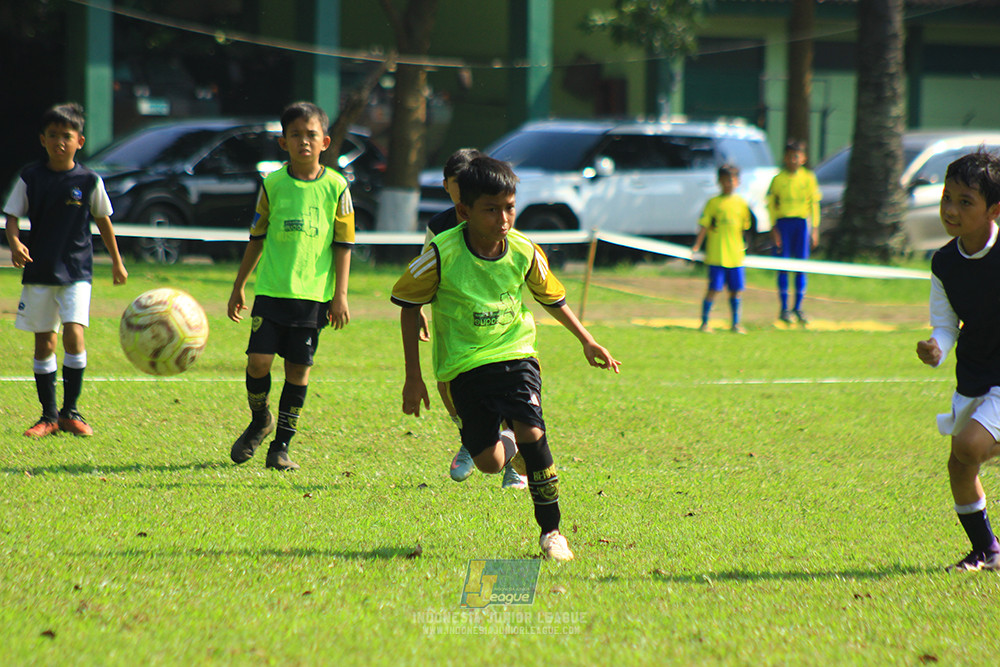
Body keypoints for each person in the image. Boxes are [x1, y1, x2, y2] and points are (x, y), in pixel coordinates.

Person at [391, 156, 621, 562]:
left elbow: (553, 298)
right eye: (491, 209)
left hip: (516, 356)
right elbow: (408, 305)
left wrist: (587, 340)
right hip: (463, 368)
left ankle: (552, 533)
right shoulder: (440, 253)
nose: (503, 218)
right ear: (464, 211)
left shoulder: (524, 251)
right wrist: (414, 377)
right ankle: (505, 437)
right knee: (490, 463)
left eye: (510, 207)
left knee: (534, 436)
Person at [227, 101, 353, 471]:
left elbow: (344, 245)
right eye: (295, 135)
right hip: (271, 291)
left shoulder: (337, 187)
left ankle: (281, 447)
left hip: (313, 298)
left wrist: (340, 295)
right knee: (258, 363)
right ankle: (260, 419)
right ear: (283, 143)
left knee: (298, 372)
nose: (303, 142)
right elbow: (257, 236)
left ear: (325, 141)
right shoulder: (273, 185)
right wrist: (239, 285)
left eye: (311, 134)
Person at [3, 102, 128, 438]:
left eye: (67, 136)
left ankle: (71, 411)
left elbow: (103, 220)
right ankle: (48, 416)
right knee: (45, 343)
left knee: (74, 334)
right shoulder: (31, 176)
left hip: (76, 270)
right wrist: (15, 244)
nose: (60, 142)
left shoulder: (88, 180)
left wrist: (117, 261)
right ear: (42, 139)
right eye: (53, 135)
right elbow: (12, 217)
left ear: (80, 141)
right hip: (40, 270)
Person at [419, 148, 526, 489]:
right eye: (455, 182)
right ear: (447, 185)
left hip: (495, 325)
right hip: (455, 322)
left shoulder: (495, 217)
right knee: (448, 383)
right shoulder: (439, 227)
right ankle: (472, 437)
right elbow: (422, 271)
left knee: (505, 385)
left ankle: (511, 460)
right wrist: (419, 308)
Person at [916, 149, 1000, 572]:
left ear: (994, 210)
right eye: (947, 198)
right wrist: (936, 346)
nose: (951, 210)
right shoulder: (944, 262)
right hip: (975, 372)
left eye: (965, 201)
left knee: (970, 445)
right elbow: (946, 324)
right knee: (960, 462)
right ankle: (987, 550)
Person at [691, 163, 752, 334]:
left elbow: (744, 228)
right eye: (725, 180)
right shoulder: (713, 203)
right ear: (719, 182)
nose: (729, 183)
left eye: (732, 180)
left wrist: (746, 247)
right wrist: (697, 246)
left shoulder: (741, 203)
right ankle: (704, 322)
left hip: (735, 256)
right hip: (717, 255)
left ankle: (735, 323)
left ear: (738, 182)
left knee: (736, 291)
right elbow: (704, 226)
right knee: (714, 289)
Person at [767, 139, 821, 325]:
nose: (793, 160)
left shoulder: (808, 178)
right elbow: (771, 205)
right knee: (783, 267)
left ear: (803, 158)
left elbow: (814, 204)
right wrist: (774, 228)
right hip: (783, 225)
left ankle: (798, 308)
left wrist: (814, 229)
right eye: (790, 156)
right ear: (785, 158)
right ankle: (784, 309)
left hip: (801, 225)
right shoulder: (778, 179)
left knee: (801, 267)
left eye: (797, 156)